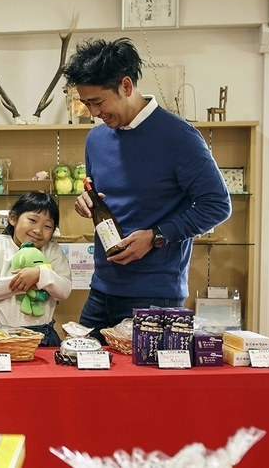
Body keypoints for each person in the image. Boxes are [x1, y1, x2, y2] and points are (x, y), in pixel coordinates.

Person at [63, 37, 232, 343]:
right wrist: (86, 200)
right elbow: (99, 194)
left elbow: (217, 205)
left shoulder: (179, 137)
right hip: (101, 290)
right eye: (85, 103)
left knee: (146, 391)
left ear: (126, 86)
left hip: (156, 299)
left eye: (98, 102)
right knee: (84, 384)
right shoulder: (96, 140)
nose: (91, 112)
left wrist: (156, 235)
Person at [0, 192, 71, 346]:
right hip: (0, 334)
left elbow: (64, 290)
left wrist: (40, 274)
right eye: (32, 220)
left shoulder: (52, 249)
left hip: (42, 335)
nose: (38, 230)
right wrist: (23, 281)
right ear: (13, 218)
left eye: (47, 226)